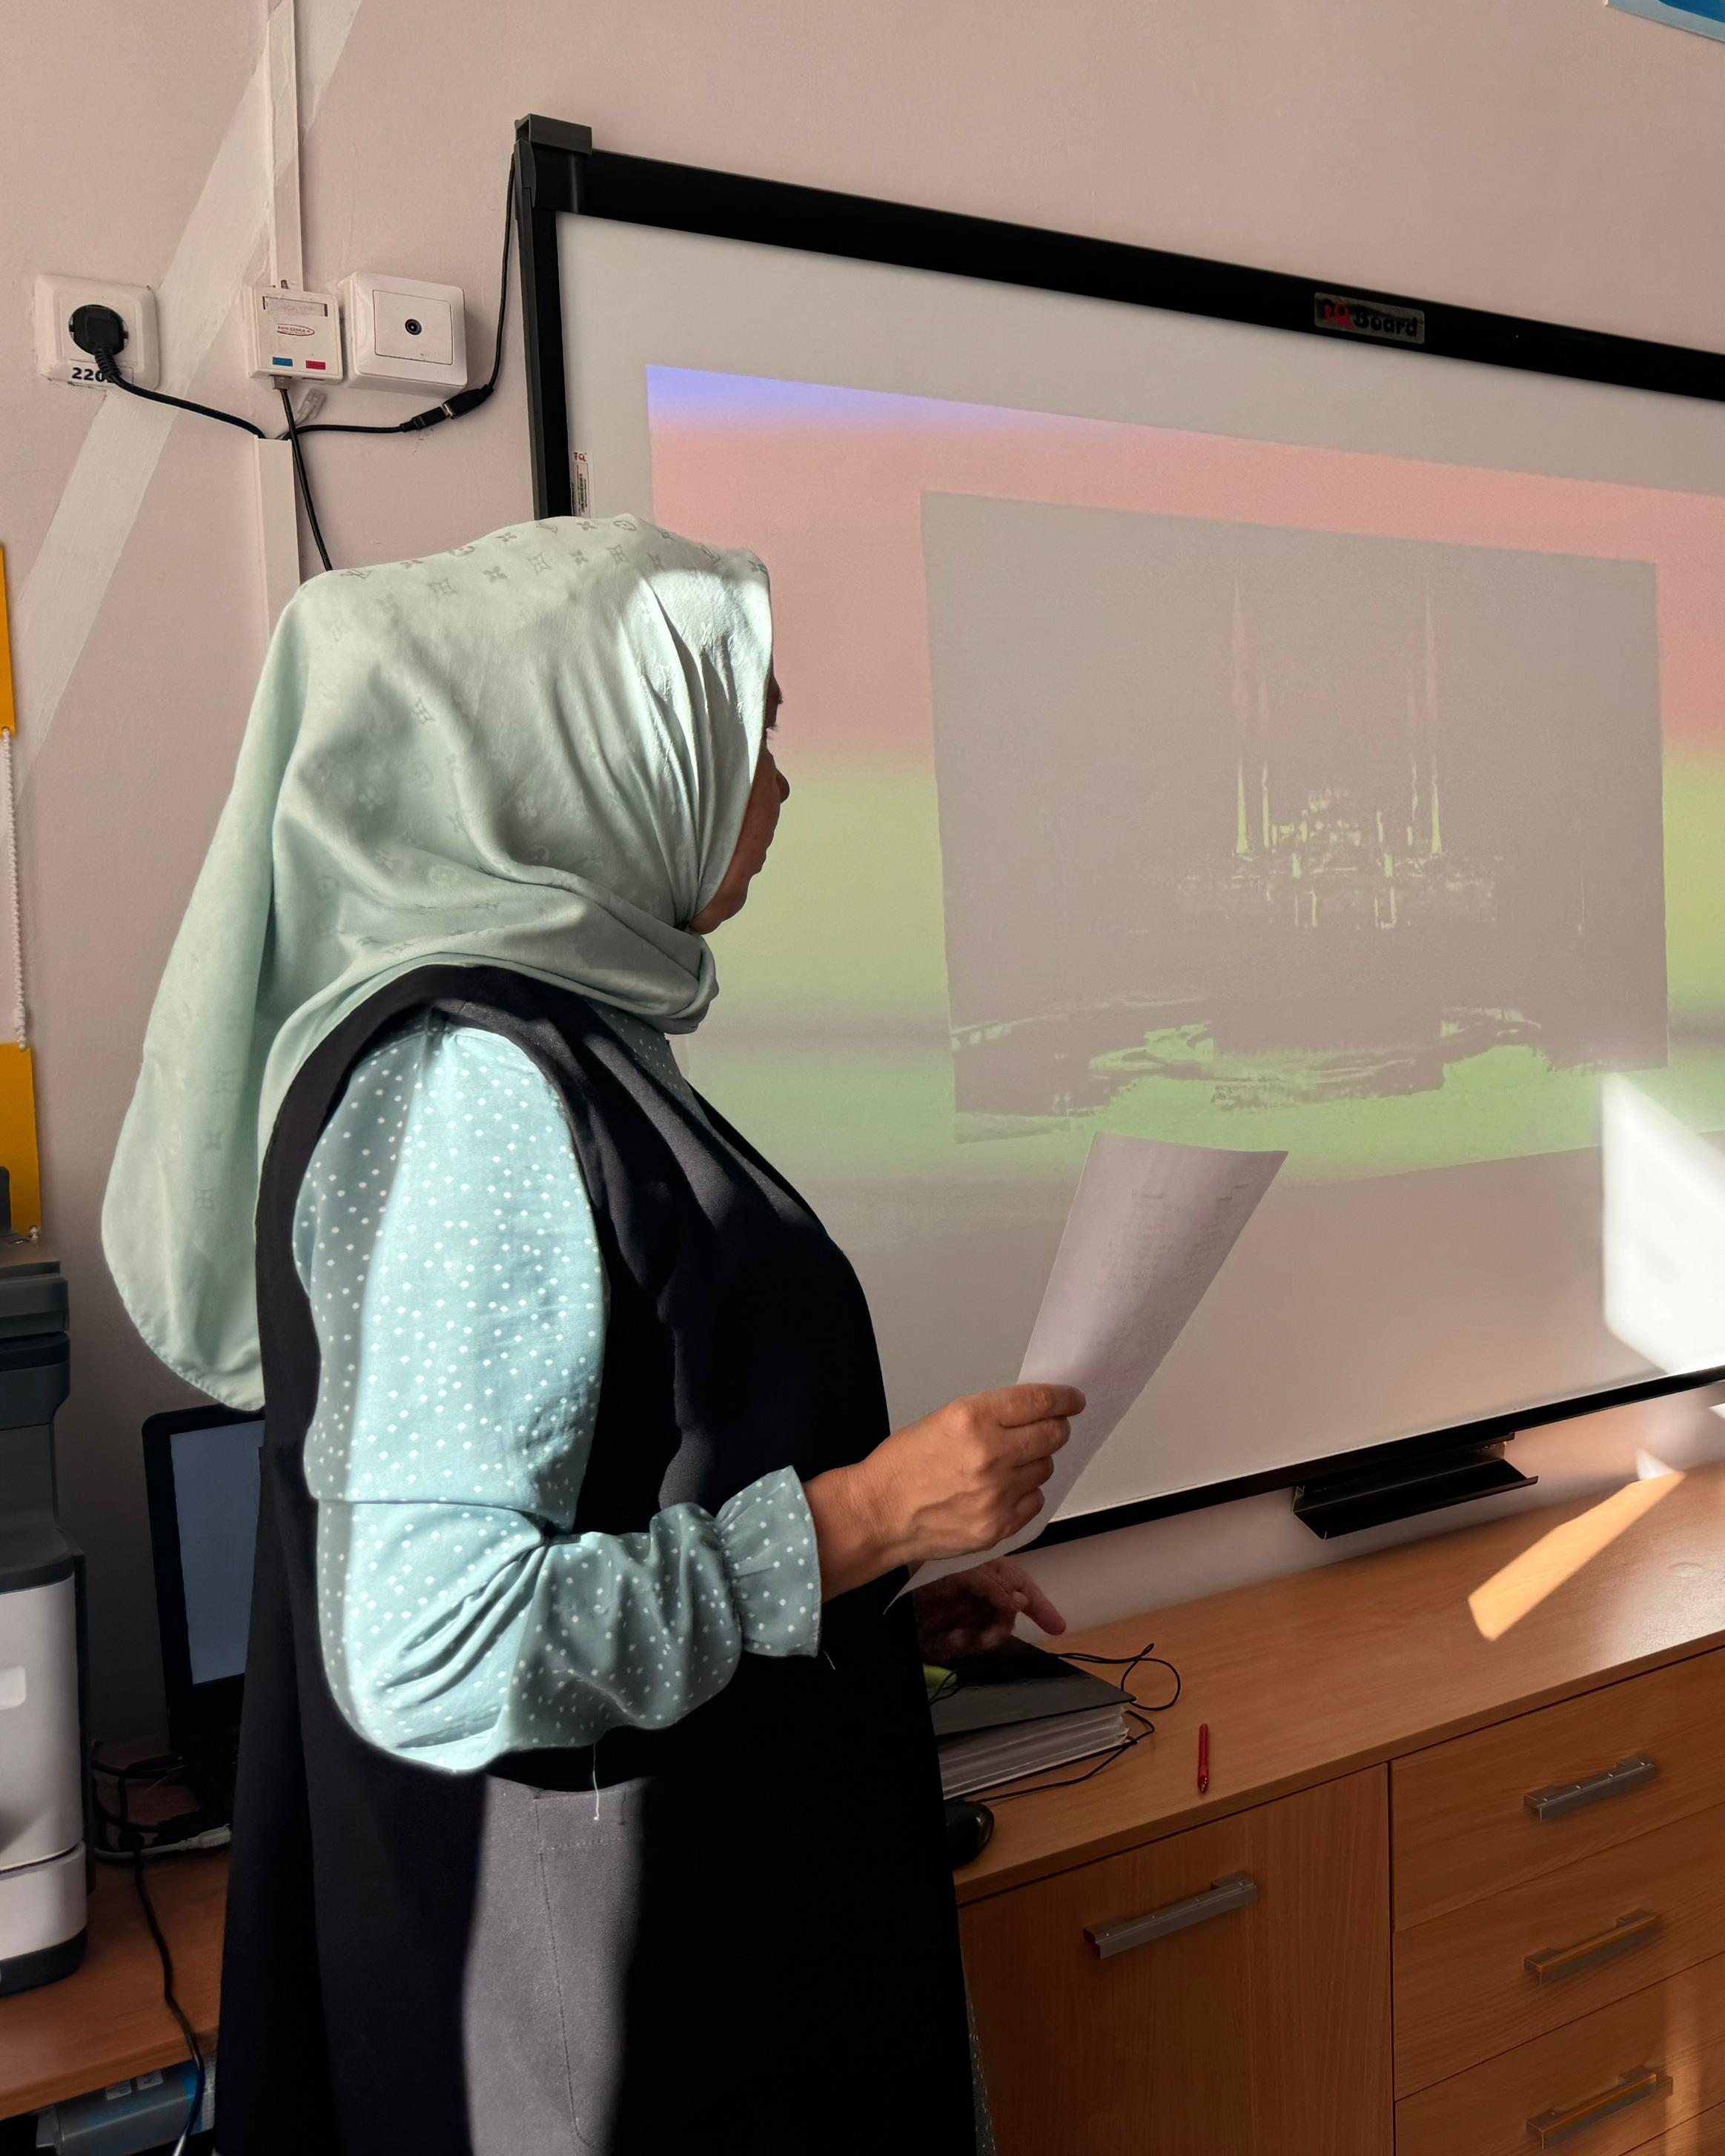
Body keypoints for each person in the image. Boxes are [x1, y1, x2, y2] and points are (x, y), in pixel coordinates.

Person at [102, 514, 1071, 2154]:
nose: (779, 787)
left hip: (694, 1958)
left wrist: (865, 1598)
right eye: (750, 734)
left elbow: (635, 1474)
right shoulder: (470, 1084)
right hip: (601, 2034)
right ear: (599, 754)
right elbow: (434, 1648)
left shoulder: (562, 1046)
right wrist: (857, 1521)